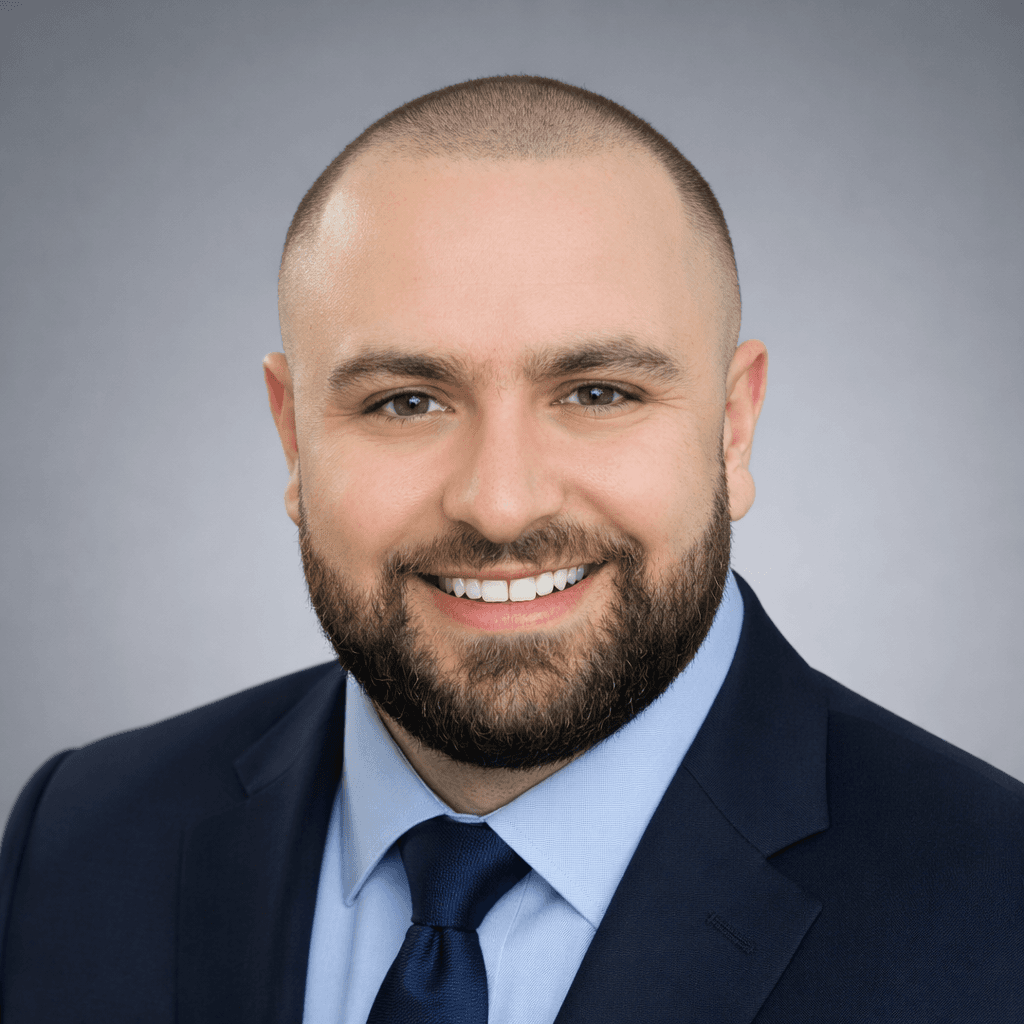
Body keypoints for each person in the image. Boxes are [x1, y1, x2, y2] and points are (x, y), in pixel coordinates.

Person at [1, 75, 1021, 1023]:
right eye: (405, 401)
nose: (497, 504)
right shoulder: (76, 842)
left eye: (596, 393)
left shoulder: (995, 911)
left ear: (733, 427)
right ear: (292, 436)